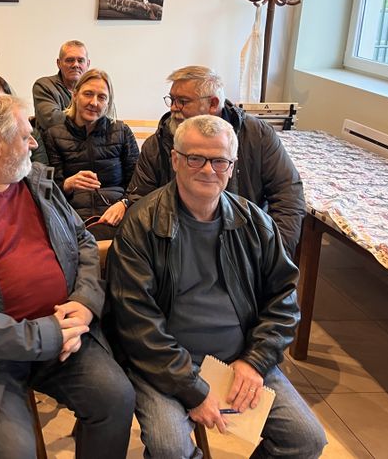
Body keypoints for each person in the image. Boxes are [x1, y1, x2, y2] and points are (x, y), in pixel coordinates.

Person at [0, 92, 135, 459]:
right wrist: (43, 335)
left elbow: (82, 240)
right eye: (26, 135)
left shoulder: (37, 183)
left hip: (60, 337)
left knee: (116, 398)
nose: (33, 143)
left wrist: (84, 301)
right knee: (12, 450)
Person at [107, 115, 326, 459]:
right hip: (164, 367)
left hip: (239, 360)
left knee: (306, 439)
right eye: (195, 158)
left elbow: (283, 299)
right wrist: (192, 390)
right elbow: (137, 324)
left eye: (219, 161)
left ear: (232, 167)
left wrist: (255, 361)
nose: (208, 170)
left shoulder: (256, 223)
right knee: (169, 448)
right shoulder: (141, 225)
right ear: (175, 159)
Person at [127, 65, 305, 252]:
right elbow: (139, 204)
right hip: (175, 247)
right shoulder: (157, 144)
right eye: (172, 100)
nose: (173, 108)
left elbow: (288, 197)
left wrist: (274, 253)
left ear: (213, 104)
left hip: (246, 247)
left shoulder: (257, 136)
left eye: (182, 101)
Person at [44, 69, 139, 241]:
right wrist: (67, 184)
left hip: (118, 217)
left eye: (101, 97)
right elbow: (48, 189)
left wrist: (124, 204)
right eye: (88, 94)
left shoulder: (122, 132)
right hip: (73, 219)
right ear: (75, 95)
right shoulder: (54, 135)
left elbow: (137, 183)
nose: (94, 103)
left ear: (108, 102)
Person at [32, 40, 91, 131]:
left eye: (80, 61)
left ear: (88, 64)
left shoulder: (96, 90)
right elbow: (52, 121)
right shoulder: (44, 86)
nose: (75, 65)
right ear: (59, 63)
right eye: (69, 60)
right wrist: (90, 118)